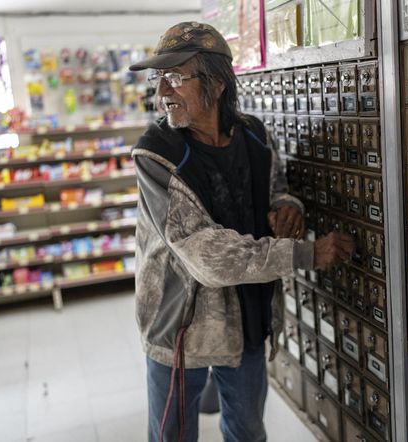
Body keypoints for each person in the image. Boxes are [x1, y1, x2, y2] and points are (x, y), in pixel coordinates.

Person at [129, 22, 355, 442]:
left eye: (174, 78)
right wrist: (305, 255)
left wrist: (287, 209)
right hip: (178, 327)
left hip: (249, 316)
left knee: (248, 431)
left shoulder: (254, 134)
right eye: (158, 79)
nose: (161, 92)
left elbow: (275, 190)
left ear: (217, 84)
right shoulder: (155, 154)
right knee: (172, 436)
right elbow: (205, 255)